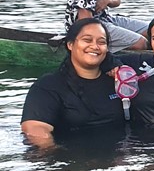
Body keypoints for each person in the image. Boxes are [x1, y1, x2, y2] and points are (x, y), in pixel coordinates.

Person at [21, 18, 124, 148]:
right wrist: (55, 152)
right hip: (71, 157)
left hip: (116, 156)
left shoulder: (117, 80)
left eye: (101, 42)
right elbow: (35, 129)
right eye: (87, 40)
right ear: (70, 45)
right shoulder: (48, 86)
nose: (94, 46)